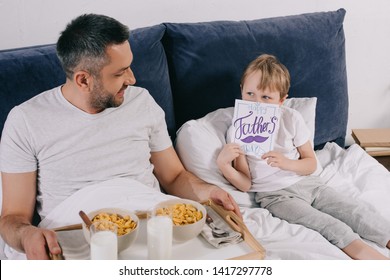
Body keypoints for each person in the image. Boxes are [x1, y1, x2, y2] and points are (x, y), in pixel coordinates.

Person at [0, 14, 240, 260]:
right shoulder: (26, 120)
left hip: (151, 227)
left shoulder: (141, 101)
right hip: (77, 235)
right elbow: (13, 217)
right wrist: (26, 234)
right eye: (120, 73)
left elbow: (174, 176)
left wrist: (208, 192)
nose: (132, 79)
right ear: (84, 79)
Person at [217, 54, 390, 260]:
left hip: (309, 183)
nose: (257, 103)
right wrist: (224, 164)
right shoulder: (238, 129)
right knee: (330, 226)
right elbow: (245, 184)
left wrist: (287, 163)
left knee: (355, 212)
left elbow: (310, 164)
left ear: (282, 100)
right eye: (250, 94)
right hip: (275, 196)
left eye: (266, 97)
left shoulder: (291, 119)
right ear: (242, 91)